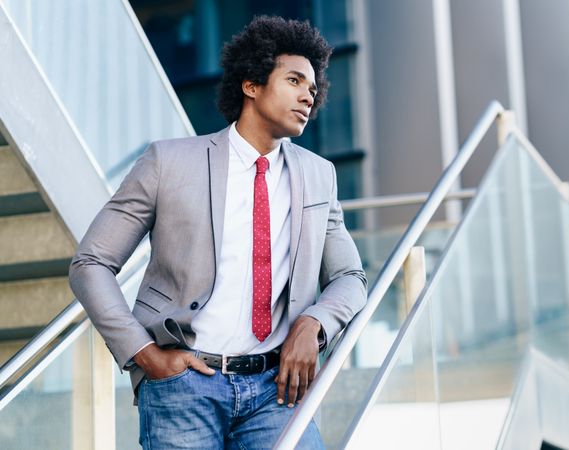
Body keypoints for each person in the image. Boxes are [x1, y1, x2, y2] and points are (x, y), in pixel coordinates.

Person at [69, 15, 367, 449]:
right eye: (294, 80)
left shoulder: (319, 176)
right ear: (251, 84)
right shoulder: (168, 163)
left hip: (276, 389)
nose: (309, 93)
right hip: (184, 384)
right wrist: (144, 354)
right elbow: (90, 263)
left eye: (313, 86)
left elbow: (350, 278)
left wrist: (314, 323)